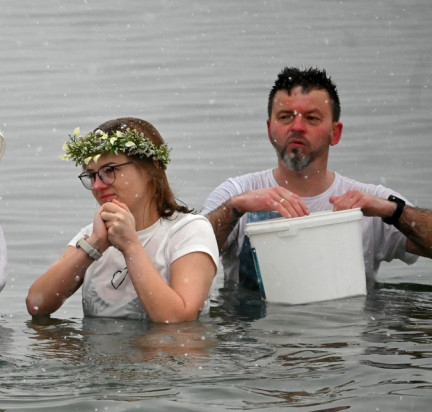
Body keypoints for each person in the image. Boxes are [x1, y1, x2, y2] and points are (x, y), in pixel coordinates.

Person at [203, 66, 432, 290]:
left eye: (311, 118)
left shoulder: (372, 204)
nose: (297, 127)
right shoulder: (237, 194)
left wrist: (394, 212)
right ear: (270, 129)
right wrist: (234, 209)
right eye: (285, 117)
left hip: (349, 325)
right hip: (253, 327)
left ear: (336, 132)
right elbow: (186, 252)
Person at [26, 117, 219, 323]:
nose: (98, 186)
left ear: (150, 169)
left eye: (110, 171)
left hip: (166, 353)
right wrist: (94, 245)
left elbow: (177, 319)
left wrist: (130, 246)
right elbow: (37, 304)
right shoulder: (92, 236)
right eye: (91, 176)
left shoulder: (189, 231)